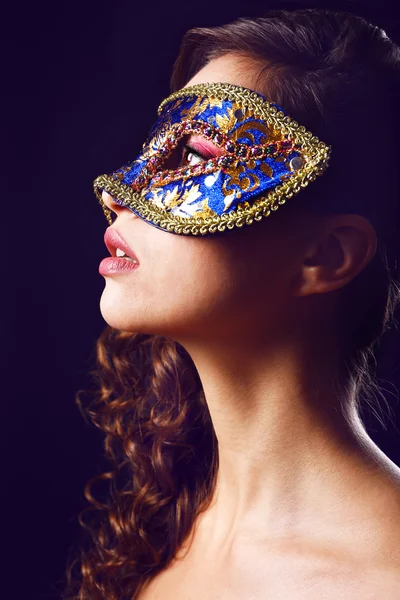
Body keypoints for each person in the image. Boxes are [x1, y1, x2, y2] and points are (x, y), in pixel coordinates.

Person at [66, 7, 400, 600]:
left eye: (194, 159)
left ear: (325, 255)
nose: (118, 194)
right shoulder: (163, 531)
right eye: (151, 149)